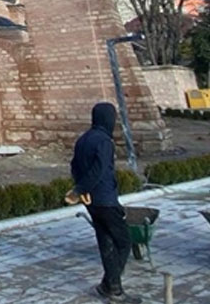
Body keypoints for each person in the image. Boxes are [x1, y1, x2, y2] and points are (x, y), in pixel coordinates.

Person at [68, 102, 141, 303]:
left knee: (106, 241)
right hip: (105, 199)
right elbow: (99, 171)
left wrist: (80, 188)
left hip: (91, 202)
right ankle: (113, 287)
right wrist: (81, 189)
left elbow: (74, 166)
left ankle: (107, 286)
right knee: (123, 242)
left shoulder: (83, 139)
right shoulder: (104, 141)